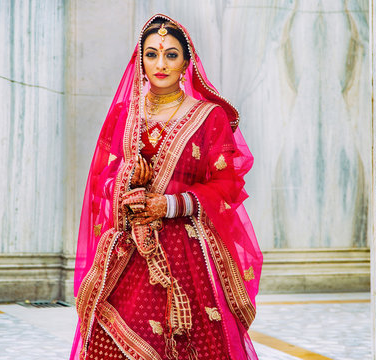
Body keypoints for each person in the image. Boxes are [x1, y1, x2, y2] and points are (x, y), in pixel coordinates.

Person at [70, 14, 263, 360]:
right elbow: (103, 179)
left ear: (187, 62)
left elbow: (227, 184)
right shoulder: (125, 115)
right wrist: (129, 181)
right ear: (140, 61)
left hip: (188, 254)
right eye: (152, 54)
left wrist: (171, 205)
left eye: (171, 55)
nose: (161, 64)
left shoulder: (208, 116)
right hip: (129, 250)